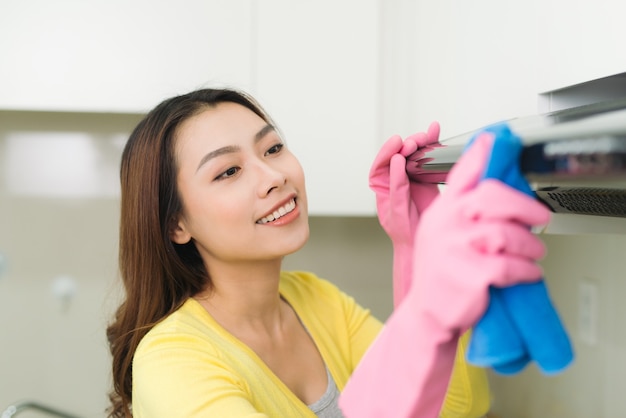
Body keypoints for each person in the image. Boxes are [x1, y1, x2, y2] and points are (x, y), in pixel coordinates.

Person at [106, 88, 550, 417]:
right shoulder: (171, 360)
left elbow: (453, 410)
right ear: (176, 225)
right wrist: (430, 304)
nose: (273, 176)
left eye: (273, 148)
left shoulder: (314, 298)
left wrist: (417, 251)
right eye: (229, 171)